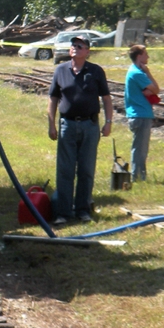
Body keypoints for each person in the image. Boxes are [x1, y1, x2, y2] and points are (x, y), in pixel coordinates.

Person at [47, 36, 113, 224]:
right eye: (73, 46)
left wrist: (108, 122)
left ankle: (82, 210)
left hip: (89, 125)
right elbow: (53, 99)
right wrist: (51, 124)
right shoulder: (61, 70)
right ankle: (63, 212)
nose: (75, 48)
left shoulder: (96, 71)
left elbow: (106, 99)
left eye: (79, 46)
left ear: (87, 51)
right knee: (65, 170)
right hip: (67, 125)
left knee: (86, 169)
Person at [124, 44, 159, 181]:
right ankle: (137, 176)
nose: (148, 56)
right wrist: (148, 73)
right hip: (140, 114)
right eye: (146, 54)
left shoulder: (134, 71)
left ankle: (139, 175)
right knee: (140, 149)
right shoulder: (137, 73)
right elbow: (156, 89)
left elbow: (153, 90)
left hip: (139, 114)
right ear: (139, 56)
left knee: (140, 148)